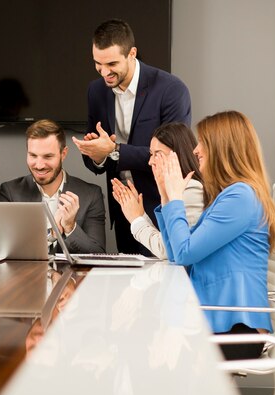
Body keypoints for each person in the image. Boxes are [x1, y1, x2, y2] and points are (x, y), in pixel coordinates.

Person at [154, 110, 275, 360]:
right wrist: (166, 196)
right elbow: (175, 254)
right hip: (220, 320)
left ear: (223, 149)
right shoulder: (229, 196)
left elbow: (184, 254)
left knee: (151, 354)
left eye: (203, 143)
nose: (196, 150)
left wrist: (176, 198)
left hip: (237, 330)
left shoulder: (240, 197)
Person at [72, 19, 191, 256]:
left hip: (162, 205)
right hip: (122, 208)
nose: (105, 72)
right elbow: (96, 159)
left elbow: (172, 156)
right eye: (98, 64)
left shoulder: (170, 90)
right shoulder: (95, 91)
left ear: (132, 53)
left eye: (112, 63)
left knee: (164, 284)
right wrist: (96, 155)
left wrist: (113, 150)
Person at [0, 119, 106, 253]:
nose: (39, 165)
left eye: (48, 156)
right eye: (33, 155)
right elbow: (4, 249)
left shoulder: (91, 194)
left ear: (63, 154)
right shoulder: (10, 192)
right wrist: (52, 234)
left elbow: (98, 253)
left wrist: (70, 227)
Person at [111, 123, 203, 259]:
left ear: (177, 156)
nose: (150, 162)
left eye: (157, 155)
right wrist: (140, 215)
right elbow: (167, 242)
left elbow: (166, 250)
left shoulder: (191, 188)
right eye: (150, 154)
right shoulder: (175, 189)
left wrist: (136, 219)